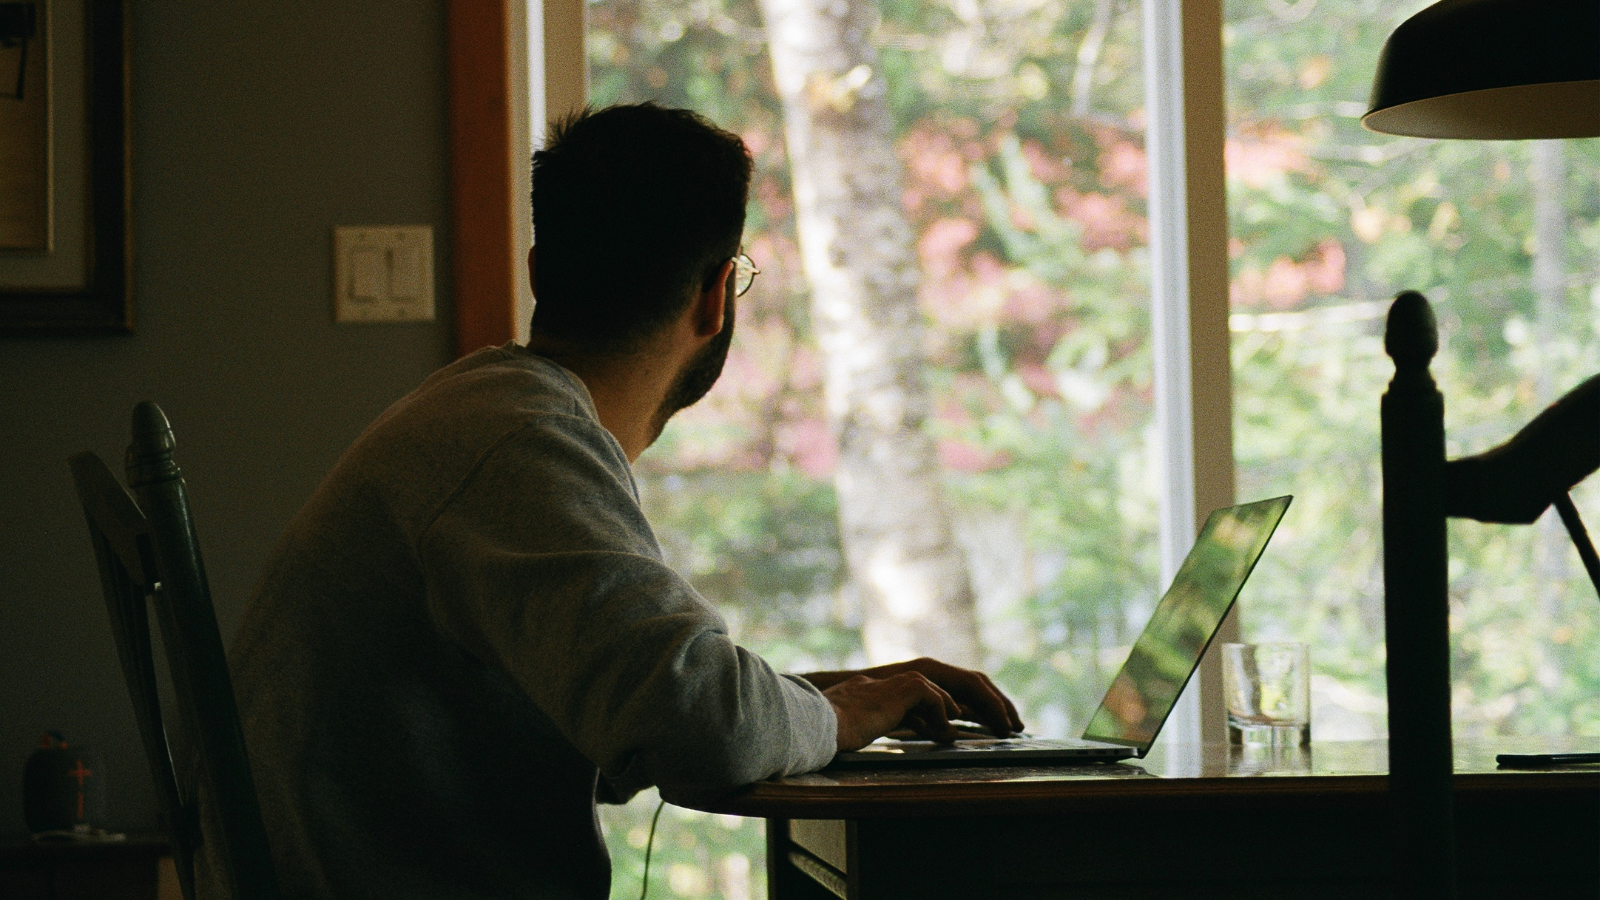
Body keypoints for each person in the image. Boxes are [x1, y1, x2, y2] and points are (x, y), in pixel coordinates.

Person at [200, 103, 1021, 899]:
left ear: (536, 272)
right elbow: (703, 726)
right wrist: (834, 719)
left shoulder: (482, 416)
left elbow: (652, 700)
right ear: (717, 297)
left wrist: (825, 702)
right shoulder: (516, 441)